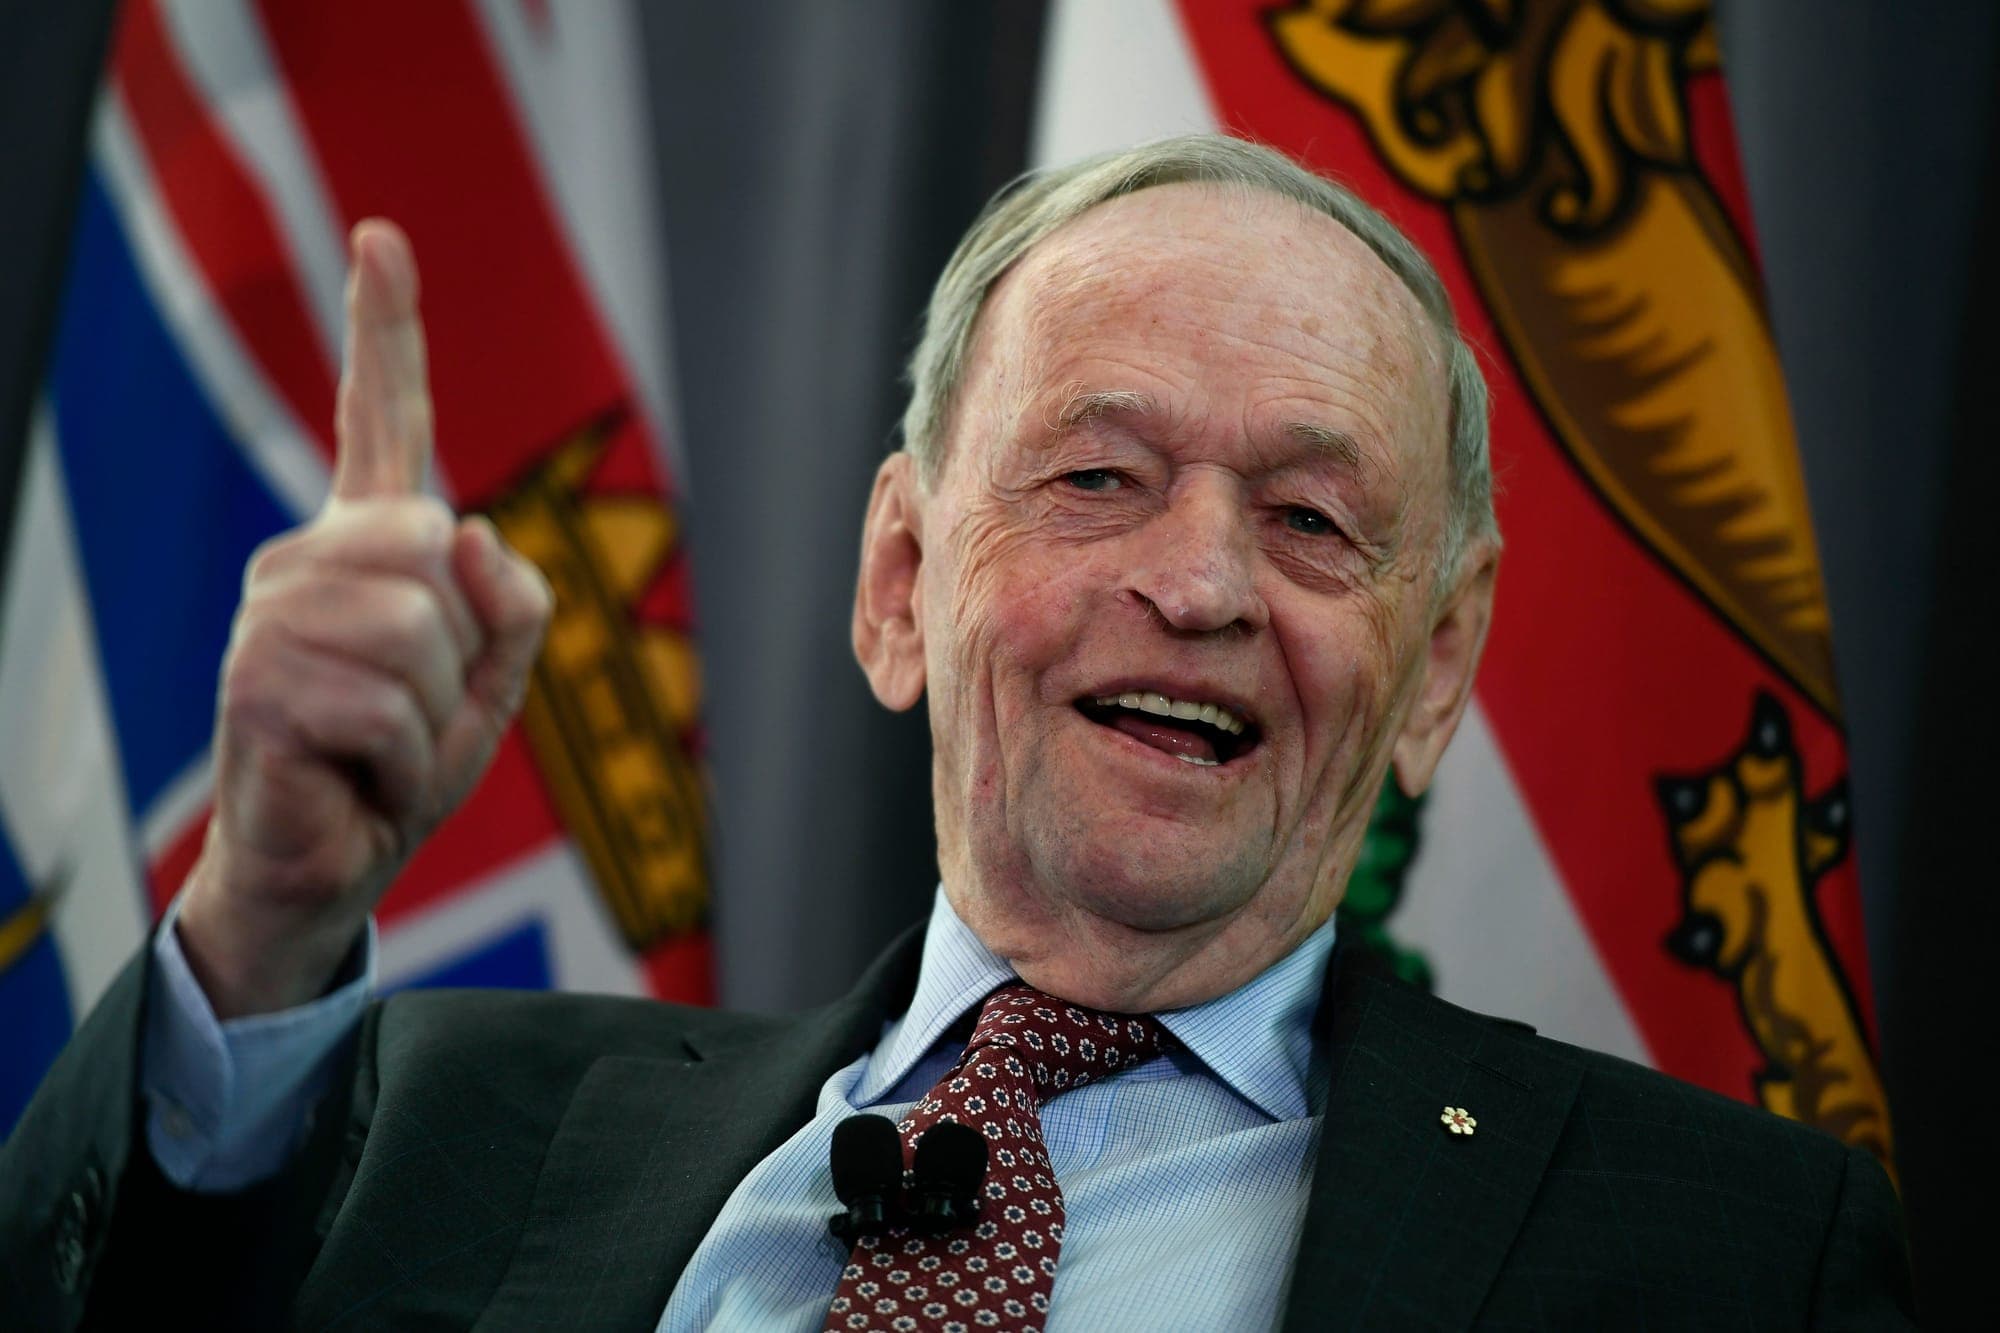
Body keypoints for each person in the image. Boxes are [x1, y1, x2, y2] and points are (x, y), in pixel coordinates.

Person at [1, 136, 1911, 1331]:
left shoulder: (1736, 1249)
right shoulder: (440, 1120)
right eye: (1099, 475)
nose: (1206, 583)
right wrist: (260, 908)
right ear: (901, 580)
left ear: (1433, 666)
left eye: (1315, 522)